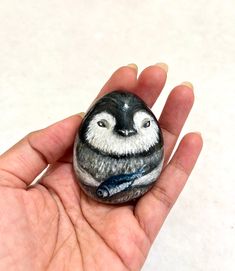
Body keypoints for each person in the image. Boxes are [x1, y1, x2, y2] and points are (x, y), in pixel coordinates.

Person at [0, 64, 203, 271]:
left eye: (144, 125)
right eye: (103, 124)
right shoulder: (92, 148)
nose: (126, 134)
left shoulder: (145, 151)